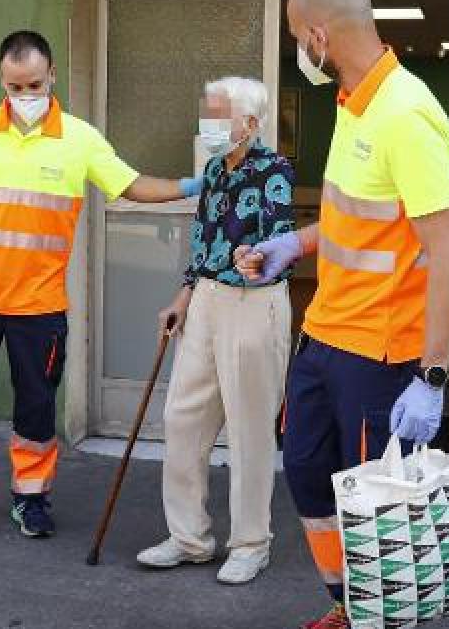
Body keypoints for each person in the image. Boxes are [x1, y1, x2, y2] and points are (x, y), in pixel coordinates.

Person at [235, 0, 449, 629]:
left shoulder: (406, 112)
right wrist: (296, 245)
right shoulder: (354, 103)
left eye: (294, 38)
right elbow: (356, 218)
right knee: (308, 475)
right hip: (325, 339)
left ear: (315, 35)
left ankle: (384, 613)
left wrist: (433, 375)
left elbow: (446, 251)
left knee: (382, 508)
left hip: (382, 355)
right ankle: (354, 605)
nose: (298, 50)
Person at [0, 30, 203, 544]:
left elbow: (129, 184)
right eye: (14, 85)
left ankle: (32, 500)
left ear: (51, 77)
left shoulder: (79, 139)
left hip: (39, 308)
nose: (24, 95)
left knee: (36, 410)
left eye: (33, 84)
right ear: (1, 80)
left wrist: (189, 185)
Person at [136, 77, 295, 585]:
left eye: (218, 116)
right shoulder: (211, 170)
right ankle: (189, 538)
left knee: (249, 430)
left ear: (249, 122)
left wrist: (254, 259)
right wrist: (184, 296)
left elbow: (277, 238)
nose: (208, 125)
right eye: (206, 114)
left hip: (254, 303)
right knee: (182, 417)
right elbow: (202, 242)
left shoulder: (273, 169)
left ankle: (251, 544)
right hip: (207, 299)